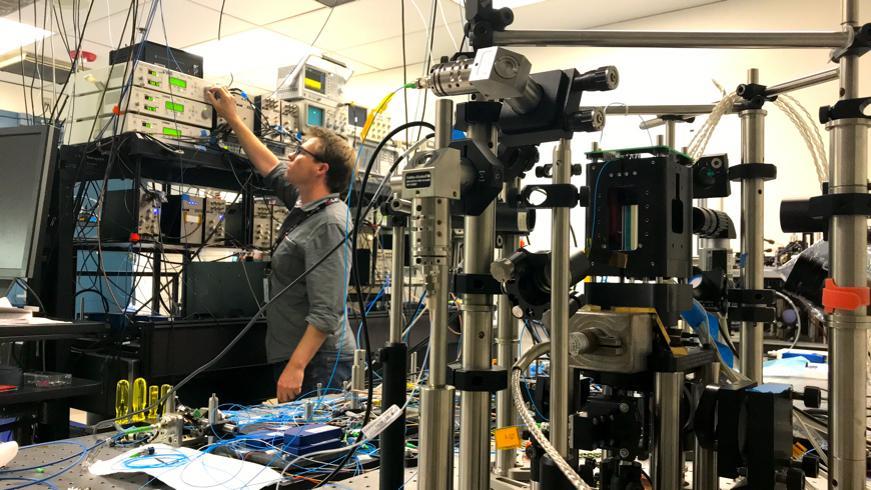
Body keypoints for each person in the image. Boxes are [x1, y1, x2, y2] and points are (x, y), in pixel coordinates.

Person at [205, 87, 357, 402]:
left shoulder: (329, 223)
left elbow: (327, 311)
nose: (291, 155)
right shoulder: (307, 205)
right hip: (300, 356)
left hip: (319, 362)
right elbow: (271, 167)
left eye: (301, 152)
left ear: (321, 169)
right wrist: (232, 117)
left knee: (313, 447)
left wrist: (296, 367)